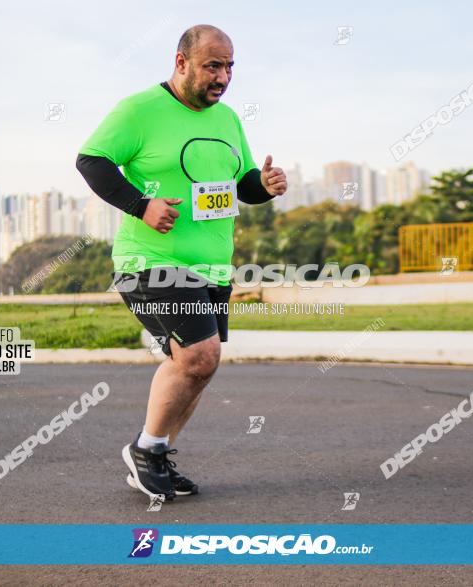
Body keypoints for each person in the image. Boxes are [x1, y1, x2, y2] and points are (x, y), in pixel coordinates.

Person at [76, 24, 287, 501]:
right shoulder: (139, 110)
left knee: (199, 365)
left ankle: (157, 454)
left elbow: (243, 184)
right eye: (213, 65)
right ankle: (146, 451)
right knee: (199, 355)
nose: (224, 76)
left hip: (212, 266)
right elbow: (91, 160)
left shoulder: (228, 119)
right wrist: (141, 205)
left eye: (230, 66)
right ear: (181, 62)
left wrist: (266, 186)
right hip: (150, 259)